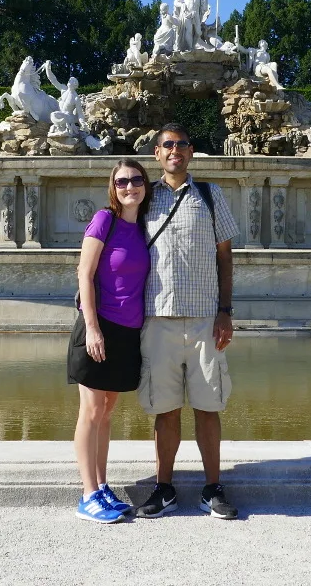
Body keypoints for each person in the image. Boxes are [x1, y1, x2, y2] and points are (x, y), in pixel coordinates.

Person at [134, 123, 243, 520]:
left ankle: (212, 487)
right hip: (157, 318)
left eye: (181, 144)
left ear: (191, 151)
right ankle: (164, 488)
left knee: (208, 405)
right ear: (157, 154)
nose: (174, 150)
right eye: (167, 145)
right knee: (165, 409)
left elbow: (225, 257)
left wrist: (225, 312)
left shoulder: (210, 196)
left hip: (203, 319)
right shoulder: (143, 198)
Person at [69, 159, 152, 523]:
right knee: (90, 411)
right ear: (112, 187)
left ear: (145, 185)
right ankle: (87, 494)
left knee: (107, 412)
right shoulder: (105, 219)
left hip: (128, 332)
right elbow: (84, 275)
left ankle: (102, 487)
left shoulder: (145, 228)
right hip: (99, 326)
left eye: (136, 180)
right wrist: (92, 328)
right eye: (121, 182)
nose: (129, 186)